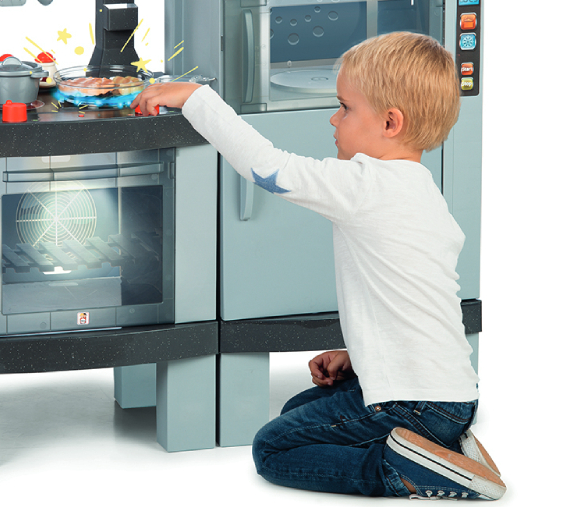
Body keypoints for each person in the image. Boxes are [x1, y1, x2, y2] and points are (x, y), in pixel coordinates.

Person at [132, 32, 505, 500]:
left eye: (345, 108)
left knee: (272, 448)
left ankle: (405, 471)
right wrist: (359, 357)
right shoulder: (424, 194)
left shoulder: (366, 184)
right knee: (297, 410)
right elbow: (419, 306)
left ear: (390, 122)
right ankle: (441, 446)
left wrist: (195, 98)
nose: (334, 117)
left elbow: (268, 168)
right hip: (451, 397)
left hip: (411, 401)